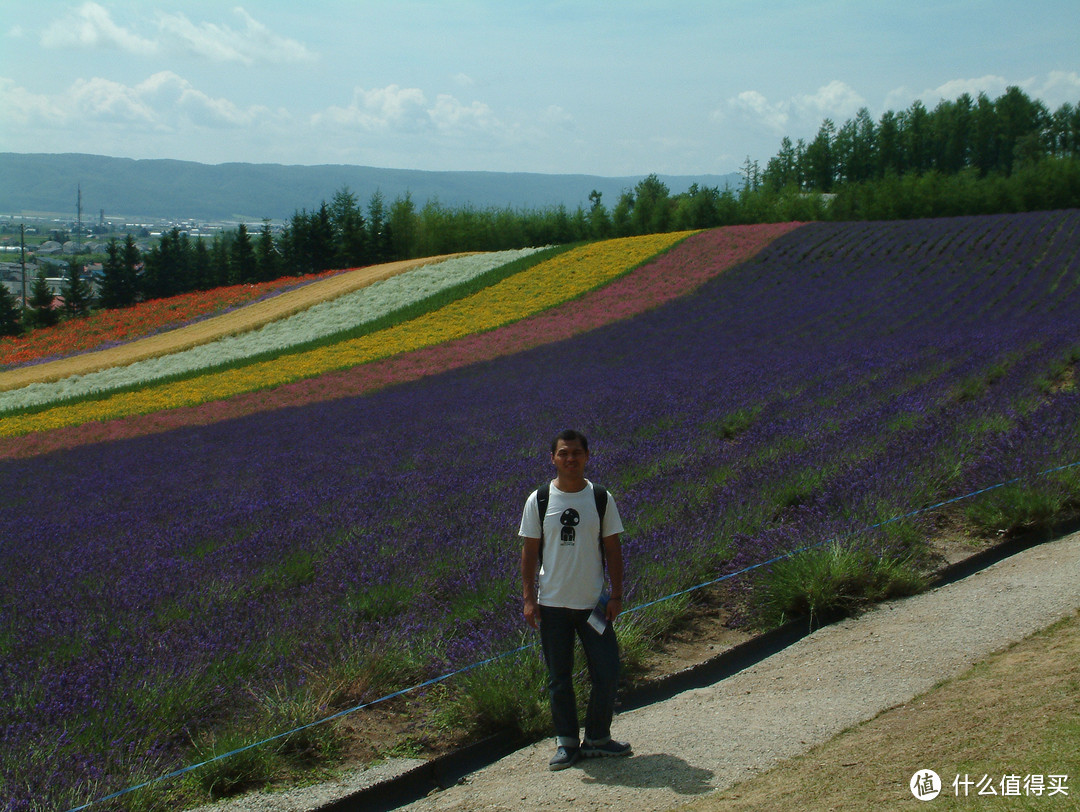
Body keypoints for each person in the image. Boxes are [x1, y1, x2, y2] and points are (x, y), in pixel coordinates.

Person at [519, 429, 632, 770]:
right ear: (553, 458)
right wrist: (529, 598)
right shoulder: (538, 500)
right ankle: (567, 743)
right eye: (563, 453)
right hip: (552, 605)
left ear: (587, 457)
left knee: (608, 671)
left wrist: (616, 593)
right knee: (559, 677)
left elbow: (613, 548)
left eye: (576, 453)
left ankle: (597, 737)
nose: (570, 459)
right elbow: (529, 552)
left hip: (592, 605)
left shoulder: (600, 498)